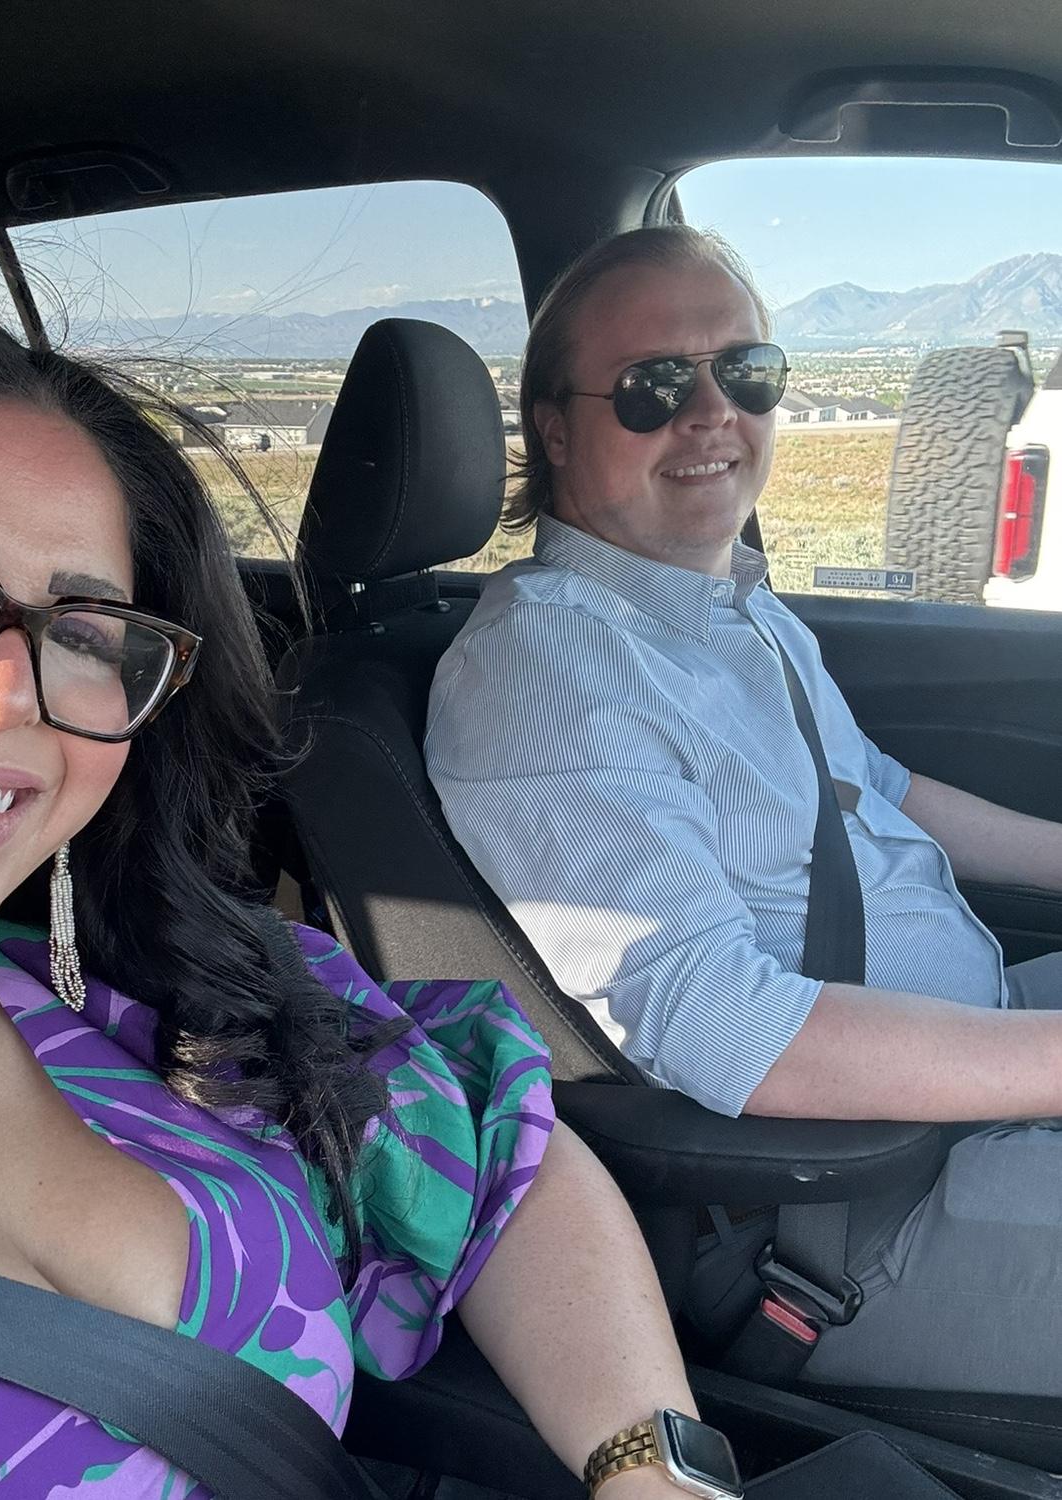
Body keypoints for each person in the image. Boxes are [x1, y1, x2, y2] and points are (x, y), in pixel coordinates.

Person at [0, 302, 717, 1498]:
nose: (5, 694)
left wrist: (654, 1469)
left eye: (85, 633)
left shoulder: (178, 995)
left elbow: (508, 1153)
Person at [425, 223, 1062, 1402]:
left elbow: (875, 790)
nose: (713, 412)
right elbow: (724, 1022)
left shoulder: (728, 608)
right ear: (555, 430)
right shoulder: (548, 672)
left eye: (747, 371)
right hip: (833, 1209)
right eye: (655, 385)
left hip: (958, 1062)